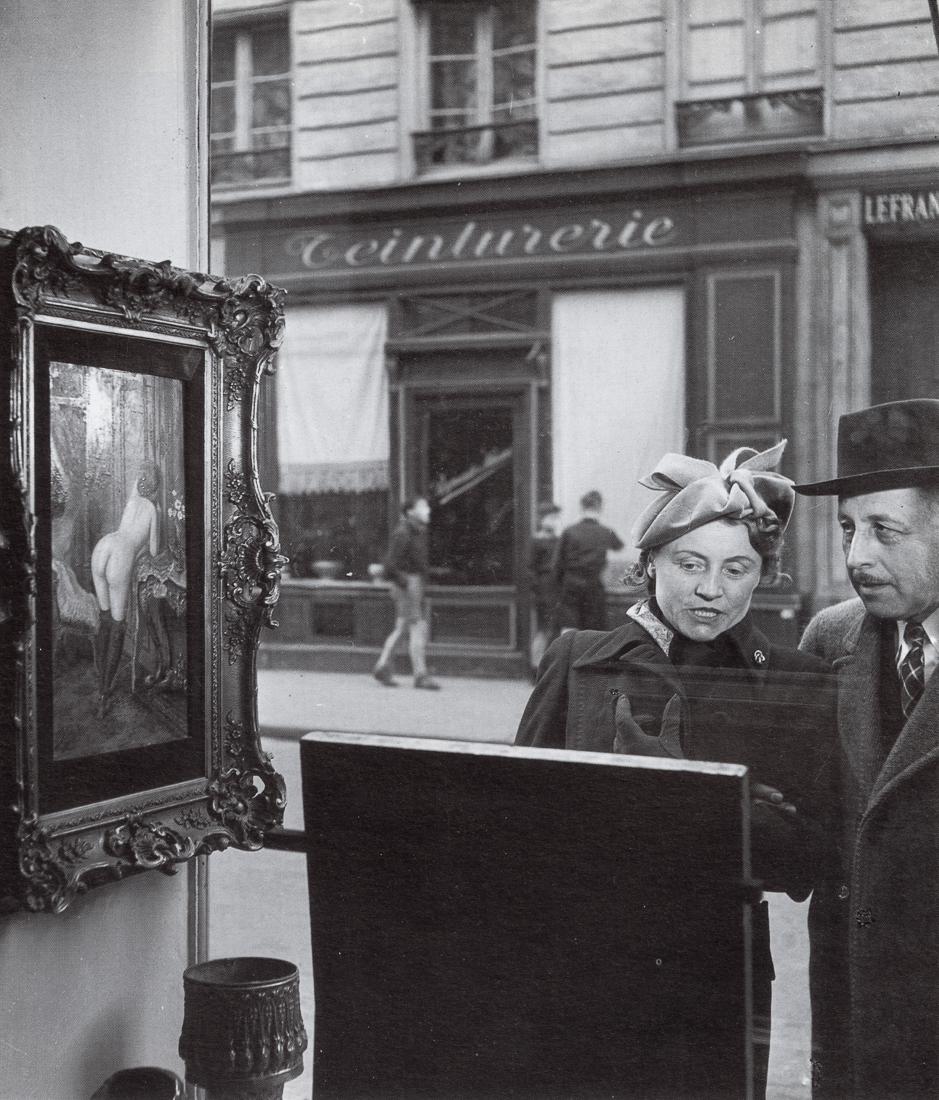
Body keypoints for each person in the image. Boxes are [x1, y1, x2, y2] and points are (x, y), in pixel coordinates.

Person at [517, 442, 837, 1099]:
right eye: (689, 563)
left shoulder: (793, 681)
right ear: (646, 563)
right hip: (579, 964)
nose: (711, 590)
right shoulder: (577, 661)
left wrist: (694, 792)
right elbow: (513, 823)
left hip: (715, 975)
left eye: (737, 569)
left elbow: (810, 858)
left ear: (761, 576)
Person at [796, 398, 939, 1099]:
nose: (856, 558)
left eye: (884, 530)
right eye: (848, 529)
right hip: (855, 1017)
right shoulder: (829, 639)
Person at [90, 464, 160, 716]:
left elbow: (138, 483)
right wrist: (140, 549)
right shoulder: (152, 509)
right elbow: (153, 551)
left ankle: (100, 678)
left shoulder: (132, 500)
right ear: (157, 488)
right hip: (121, 557)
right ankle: (103, 694)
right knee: (118, 627)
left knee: (105, 618)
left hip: (103, 547)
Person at [373, 496, 440, 690]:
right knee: (417, 626)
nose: (427, 510)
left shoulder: (413, 532)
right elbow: (390, 565)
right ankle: (420, 675)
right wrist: (407, 583)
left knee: (403, 626)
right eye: (423, 507)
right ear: (410, 512)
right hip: (408, 584)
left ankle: (383, 666)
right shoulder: (403, 533)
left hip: (410, 583)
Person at [553, 489, 623, 631]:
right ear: (599, 508)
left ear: (582, 508)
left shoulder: (569, 531)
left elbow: (557, 563)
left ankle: (568, 653)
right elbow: (618, 546)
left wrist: (561, 584)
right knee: (593, 629)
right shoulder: (605, 531)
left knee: (569, 626)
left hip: (571, 584)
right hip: (593, 585)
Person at [527, 501, 561, 679]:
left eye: (556, 517)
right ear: (542, 519)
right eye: (552, 517)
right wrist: (538, 591)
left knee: (551, 629)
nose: (555, 521)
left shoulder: (557, 539)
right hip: (544, 589)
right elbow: (531, 569)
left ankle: (545, 668)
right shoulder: (537, 540)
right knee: (543, 630)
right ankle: (535, 668)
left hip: (555, 589)